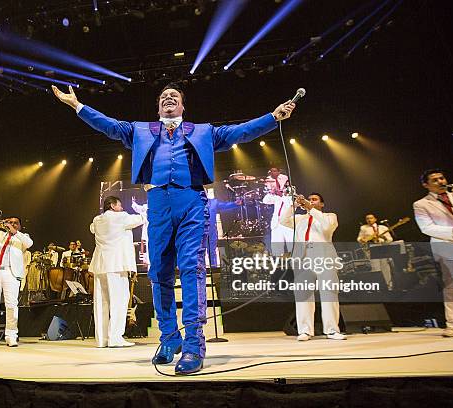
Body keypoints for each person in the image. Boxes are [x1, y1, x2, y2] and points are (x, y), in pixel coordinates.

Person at [52, 82, 295, 374]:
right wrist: (77, 106)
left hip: (191, 200)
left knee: (192, 269)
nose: (168, 99)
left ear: (182, 106)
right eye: (164, 97)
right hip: (157, 204)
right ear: (158, 107)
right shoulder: (140, 131)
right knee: (159, 272)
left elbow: (239, 131)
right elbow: (109, 126)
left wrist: (273, 117)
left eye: (174, 97)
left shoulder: (204, 131)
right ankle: (169, 338)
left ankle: (194, 345)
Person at [280, 193, 346, 341]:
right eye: (309, 199)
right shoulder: (300, 219)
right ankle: (305, 330)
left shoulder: (329, 216)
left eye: (314, 200)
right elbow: (283, 221)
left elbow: (327, 227)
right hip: (303, 259)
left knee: (329, 294)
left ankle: (332, 330)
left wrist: (311, 209)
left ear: (322, 204)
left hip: (324, 259)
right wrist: (295, 205)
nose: (310, 201)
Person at [413, 169, 453, 337]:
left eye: (442, 178)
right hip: (448, 245)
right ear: (426, 185)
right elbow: (426, 227)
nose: (440, 181)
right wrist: (452, 230)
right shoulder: (421, 204)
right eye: (435, 180)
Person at [89, 196, 145, 348]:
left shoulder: (97, 220)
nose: (122, 208)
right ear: (113, 206)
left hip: (100, 265)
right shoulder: (121, 217)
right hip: (116, 265)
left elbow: (92, 228)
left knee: (101, 302)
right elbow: (140, 219)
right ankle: (115, 338)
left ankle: (102, 339)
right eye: (120, 205)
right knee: (119, 300)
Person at [0, 216, 33, 347]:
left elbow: (30, 243)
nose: (12, 224)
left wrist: (15, 232)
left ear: (19, 226)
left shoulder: (22, 237)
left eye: (16, 223)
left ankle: (11, 336)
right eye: (10, 222)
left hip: (11, 272)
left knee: (11, 304)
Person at [357, 213, 394, 290]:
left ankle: (389, 285)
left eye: (371, 218)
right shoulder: (364, 228)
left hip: (383, 248)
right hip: (372, 248)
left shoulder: (383, 227)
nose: (369, 220)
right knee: (376, 268)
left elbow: (390, 239)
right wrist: (362, 240)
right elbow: (359, 238)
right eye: (367, 218)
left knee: (386, 267)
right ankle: (379, 286)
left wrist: (384, 238)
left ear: (375, 219)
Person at [206, 188, 242, 267]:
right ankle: (198, 272)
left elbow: (224, 205)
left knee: (212, 251)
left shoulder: (213, 202)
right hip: (198, 231)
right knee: (198, 252)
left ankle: (214, 269)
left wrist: (235, 204)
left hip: (211, 231)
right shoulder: (193, 203)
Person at [270, 189, 294, 257]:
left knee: (292, 246)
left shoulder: (291, 197)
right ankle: (278, 264)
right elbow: (265, 200)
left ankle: (294, 263)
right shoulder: (277, 198)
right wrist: (271, 193)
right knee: (276, 249)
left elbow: (291, 206)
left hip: (287, 224)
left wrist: (284, 196)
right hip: (276, 224)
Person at [131, 196, 149, 264]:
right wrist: (133, 202)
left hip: (155, 228)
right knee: (145, 242)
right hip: (147, 227)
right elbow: (138, 208)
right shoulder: (145, 207)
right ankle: (144, 259)